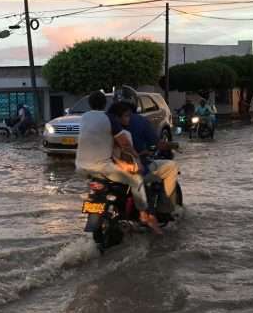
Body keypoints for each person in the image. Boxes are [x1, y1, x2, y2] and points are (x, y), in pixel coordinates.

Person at [75, 91, 162, 234]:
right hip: (102, 168)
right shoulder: (109, 119)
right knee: (136, 181)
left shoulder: (84, 117)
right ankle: (144, 215)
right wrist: (137, 158)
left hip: (81, 167)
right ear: (105, 104)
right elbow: (125, 144)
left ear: (89, 104)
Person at [110, 87, 180, 211]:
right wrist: (173, 145)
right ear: (134, 102)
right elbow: (158, 144)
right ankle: (166, 208)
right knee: (171, 166)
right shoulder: (140, 121)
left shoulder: (106, 120)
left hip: (109, 168)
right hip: (134, 168)